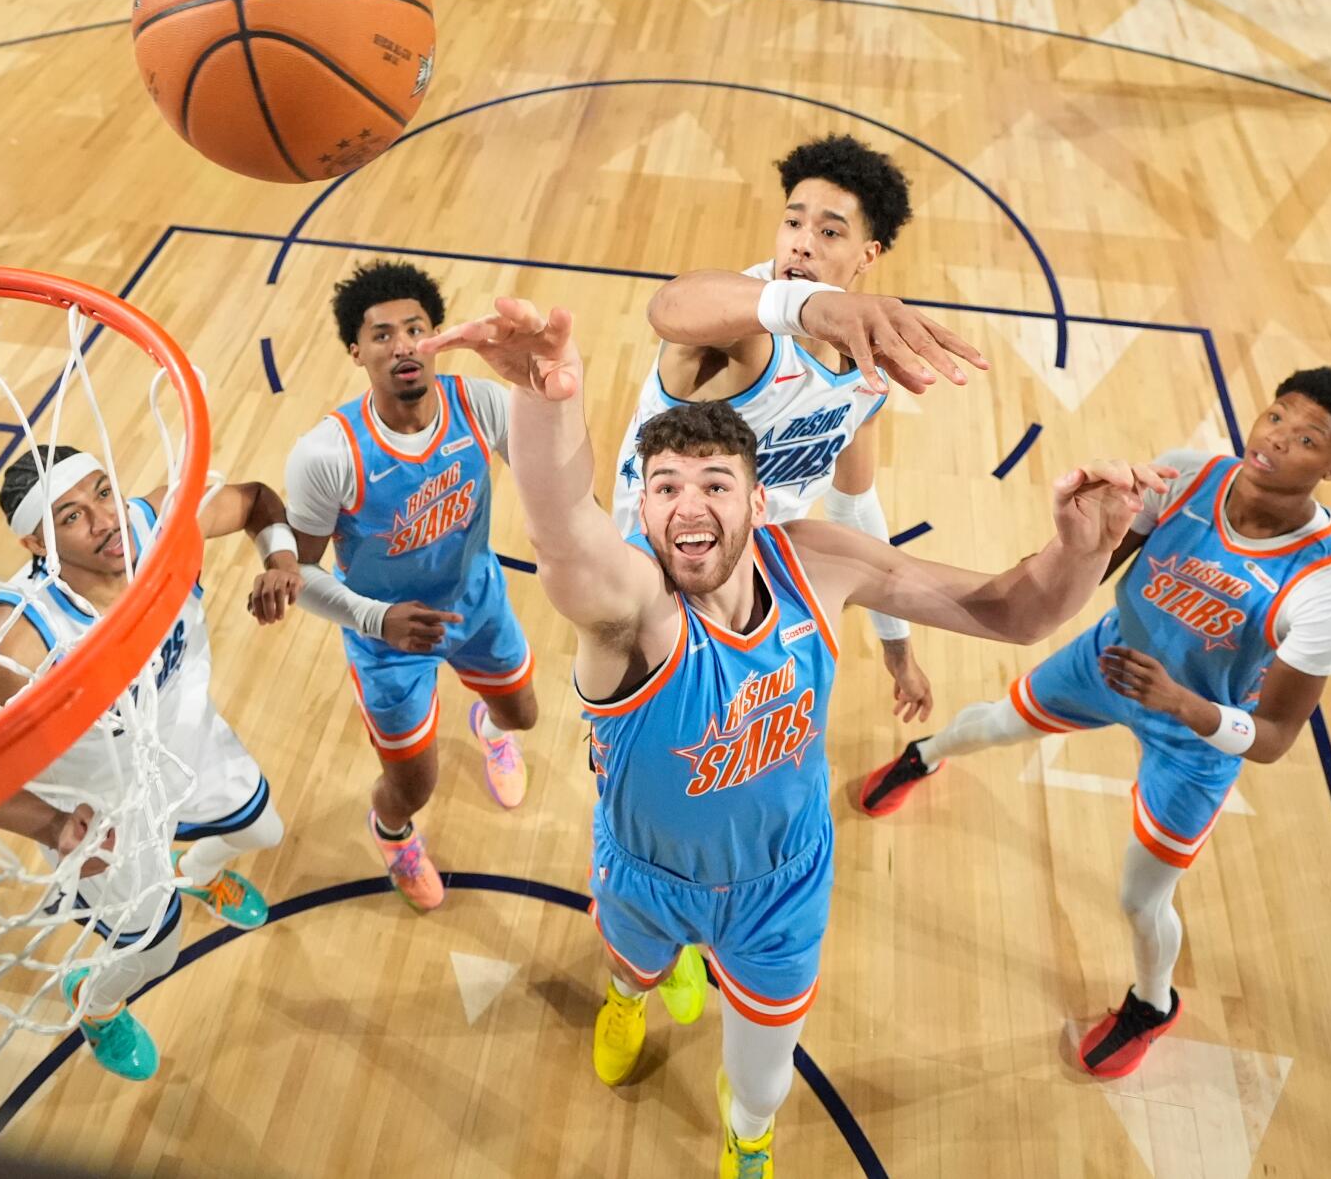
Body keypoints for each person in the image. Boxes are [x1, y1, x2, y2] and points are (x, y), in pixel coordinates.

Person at [423, 295, 1164, 1176]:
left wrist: (1081, 549)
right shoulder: (631, 610)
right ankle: (629, 994)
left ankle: (748, 1139)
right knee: (633, 971)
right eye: (664, 487)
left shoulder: (819, 559)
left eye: (713, 484)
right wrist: (549, 397)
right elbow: (564, 536)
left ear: (759, 499)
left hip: (784, 884)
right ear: (643, 507)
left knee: (762, 1077)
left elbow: (1011, 612)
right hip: (646, 871)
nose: (686, 505)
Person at [859, 368, 1331, 1079]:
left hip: (1195, 734)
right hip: (1110, 657)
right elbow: (1089, 567)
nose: (1276, 439)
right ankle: (927, 751)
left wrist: (1182, 703)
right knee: (998, 722)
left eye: (1307, 438)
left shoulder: (1330, 584)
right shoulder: (1187, 475)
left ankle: (1151, 1002)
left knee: (1140, 898)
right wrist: (1064, 544)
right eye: (1276, 415)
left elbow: (1276, 738)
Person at [0, 446, 302, 1080]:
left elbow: (258, 498)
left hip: (188, 748)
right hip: (101, 808)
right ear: (35, 544)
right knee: (155, 952)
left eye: (103, 492)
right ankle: (94, 1004)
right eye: (72, 516)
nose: (104, 520)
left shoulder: (158, 523)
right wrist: (48, 826)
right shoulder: (17, 637)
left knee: (264, 831)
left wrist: (281, 559)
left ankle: (196, 868)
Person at [615, 134, 991, 729]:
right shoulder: (745, 327)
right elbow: (670, 307)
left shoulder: (864, 373)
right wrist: (807, 307)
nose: (801, 242)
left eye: (830, 232)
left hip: (754, 559)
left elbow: (854, 506)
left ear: (868, 255)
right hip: (655, 561)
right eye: (793, 221)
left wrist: (898, 647)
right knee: (657, 733)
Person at [283, 260, 540, 912]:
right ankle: (392, 833)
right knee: (412, 785)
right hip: (386, 639)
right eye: (382, 334)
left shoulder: (479, 403)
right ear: (356, 351)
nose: (402, 345)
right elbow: (298, 574)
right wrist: (377, 619)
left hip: (476, 603)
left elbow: (556, 480)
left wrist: (544, 384)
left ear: (436, 338)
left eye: (416, 329)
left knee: (523, 714)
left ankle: (486, 719)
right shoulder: (326, 455)